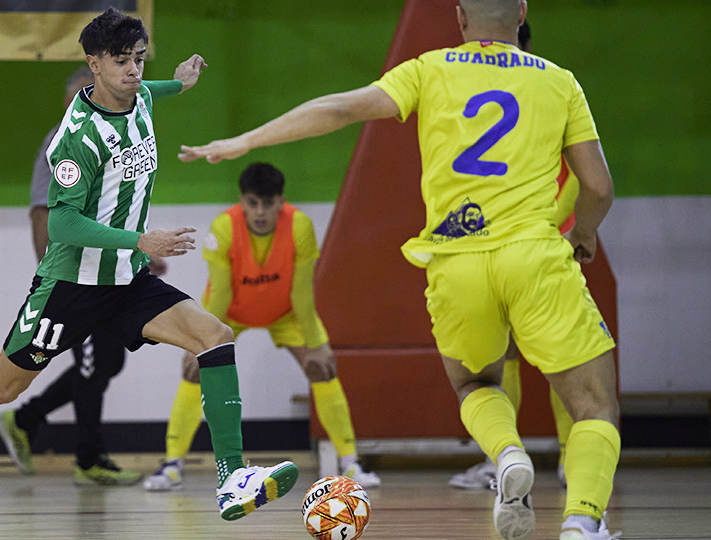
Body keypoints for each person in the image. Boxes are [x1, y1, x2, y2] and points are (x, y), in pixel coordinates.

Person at [178, 1, 621, 539]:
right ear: (522, 13)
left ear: (459, 17)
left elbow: (340, 109)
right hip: (534, 255)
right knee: (593, 403)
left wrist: (245, 141)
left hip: (455, 261)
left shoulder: (429, 68)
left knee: (476, 383)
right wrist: (583, 233)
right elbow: (597, 187)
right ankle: (581, 523)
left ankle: (506, 455)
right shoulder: (560, 82)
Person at [0, 8, 299, 522]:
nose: (133, 71)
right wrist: (142, 239)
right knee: (3, 387)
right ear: (93, 64)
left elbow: (150, 88)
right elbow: (62, 225)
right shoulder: (76, 139)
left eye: (138, 59)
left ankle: (231, 479)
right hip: (70, 285)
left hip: (125, 280)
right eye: (121, 61)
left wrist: (179, 83)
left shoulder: (141, 97)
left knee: (216, 337)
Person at [143, 162, 381, 491]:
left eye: (268, 203)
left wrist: (316, 343)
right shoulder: (224, 228)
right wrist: (199, 345)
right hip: (229, 313)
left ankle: (350, 462)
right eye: (253, 202)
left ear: (281, 201)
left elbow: (303, 293)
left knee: (322, 369)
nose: (260, 212)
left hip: (286, 312)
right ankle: (171, 464)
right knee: (195, 371)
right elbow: (221, 293)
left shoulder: (300, 226)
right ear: (242, 201)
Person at [0, 65, 153, 486]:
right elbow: (42, 212)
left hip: (108, 274)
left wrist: (137, 248)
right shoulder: (61, 142)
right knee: (91, 365)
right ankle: (89, 458)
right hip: (75, 277)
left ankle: (25, 420)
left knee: (105, 361)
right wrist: (53, 273)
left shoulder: (113, 135)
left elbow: (112, 209)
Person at [448, 19, 575, 491]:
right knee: (505, 359)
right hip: (497, 244)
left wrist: (555, 225)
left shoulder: (548, 86)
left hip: (536, 240)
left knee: (548, 361)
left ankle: (567, 457)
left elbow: (581, 173)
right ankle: (503, 459)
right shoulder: (478, 91)